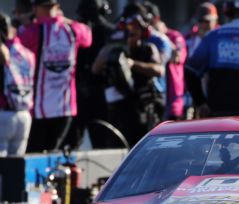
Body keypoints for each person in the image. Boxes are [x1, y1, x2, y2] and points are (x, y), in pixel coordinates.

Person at [18, 0, 92, 153]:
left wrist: (24, 23)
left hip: (38, 111)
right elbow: (88, 38)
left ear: (35, 8)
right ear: (57, 7)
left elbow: (19, 43)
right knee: (51, 157)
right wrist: (64, 20)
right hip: (65, 109)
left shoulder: (34, 31)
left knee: (33, 155)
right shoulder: (72, 29)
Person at [92, 11, 164, 147]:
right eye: (129, 29)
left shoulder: (148, 49)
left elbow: (159, 70)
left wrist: (132, 64)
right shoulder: (114, 48)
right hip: (119, 110)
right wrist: (112, 49)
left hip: (142, 108)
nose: (132, 32)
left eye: (136, 29)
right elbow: (95, 69)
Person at [62, 0, 115, 149]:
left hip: (81, 92)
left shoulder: (72, 30)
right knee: (102, 144)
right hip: (99, 94)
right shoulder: (111, 31)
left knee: (71, 145)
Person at [143, 1, 186, 121]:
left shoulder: (174, 36)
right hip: (153, 100)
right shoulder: (142, 38)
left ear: (156, 19)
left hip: (172, 102)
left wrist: (162, 37)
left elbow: (177, 57)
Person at [0, 12, 35, 156]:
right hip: (24, 115)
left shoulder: (3, 51)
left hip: (4, 113)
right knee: (16, 170)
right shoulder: (27, 52)